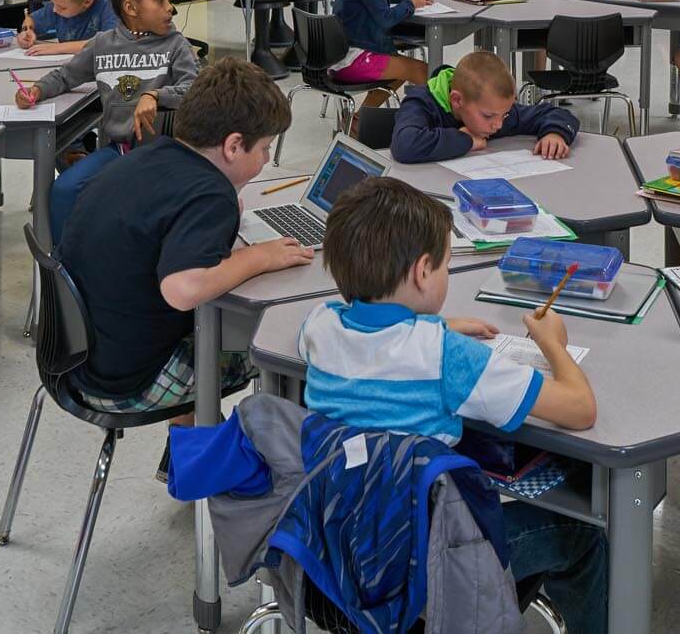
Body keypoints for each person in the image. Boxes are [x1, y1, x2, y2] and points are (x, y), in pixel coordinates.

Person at [298, 177, 606, 630]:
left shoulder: (319, 328)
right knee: (585, 535)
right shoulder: (448, 358)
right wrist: (553, 343)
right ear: (424, 272)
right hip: (427, 576)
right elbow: (580, 408)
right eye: (444, 265)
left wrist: (427, 324)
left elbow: (375, 344)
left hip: (333, 559)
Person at [55, 59, 312, 417]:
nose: (267, 160)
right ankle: (255, 461)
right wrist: (260, 258)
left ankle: (187, 452)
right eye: (265, 148)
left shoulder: (148, 157)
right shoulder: (209, 195)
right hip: (131, 382)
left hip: (79, 358)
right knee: (291, 349)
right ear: (234, 145)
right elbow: (183, 289)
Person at [16, 0, 201, 239]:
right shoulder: (103, 44)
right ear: (131, 8)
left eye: (168, 1)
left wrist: (155, 95)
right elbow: (66, 75)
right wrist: (36, 91)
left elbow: (195, 90)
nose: (171, 9)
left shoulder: (175, 45)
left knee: (141, 210)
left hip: (165, 154)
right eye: (160, 1)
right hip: (119, 152)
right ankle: (61, 267)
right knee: (65, 190)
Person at [389, 50, 578, 165]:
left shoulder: (498, 115)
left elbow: (558, 114)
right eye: (488, 116)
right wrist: (465, 139)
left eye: (504, 115)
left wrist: (555, 133)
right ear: (457, 101)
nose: (497, 125)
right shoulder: (422, 103)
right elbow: (405, 145)